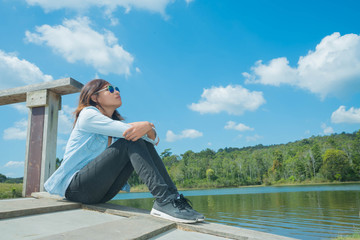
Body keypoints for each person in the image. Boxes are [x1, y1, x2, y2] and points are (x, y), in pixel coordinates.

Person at [44, 79, 204, 223]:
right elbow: (141, 134)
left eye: (117, 88)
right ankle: (163, 201)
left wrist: (148, 127)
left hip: (101, 192)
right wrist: (148, 125)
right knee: (131, 140)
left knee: (136, 139)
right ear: (94, 97)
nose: (117, 91)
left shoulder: (113, 124)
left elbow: (152, 141)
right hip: (76, 189)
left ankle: (174, 199)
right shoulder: (87, 115)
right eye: (110, 89)